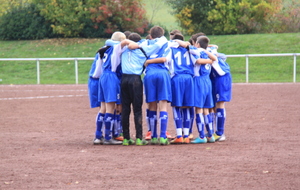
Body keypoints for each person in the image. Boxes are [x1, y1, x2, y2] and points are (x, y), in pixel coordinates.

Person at [113, 32, 167, 145]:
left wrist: (127, 42)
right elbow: (157, 46)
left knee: (125, 109)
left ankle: (126, 138)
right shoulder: (144, 50)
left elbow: (114, 44)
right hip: (135, 80)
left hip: (124, 79)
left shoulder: (122, 49)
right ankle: (138, 138)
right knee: (137, 109)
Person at [143, 26, 171, 145]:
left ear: (150, 35)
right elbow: (165, 58)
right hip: (163, 73)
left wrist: (148, 62)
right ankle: (163, 136)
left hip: (149, 74)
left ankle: (154, 136)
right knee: (163, 107)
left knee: (152, 105)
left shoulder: (145, 44)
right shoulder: (167, 44)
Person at [98, 31, 126, 145]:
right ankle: (108, 137)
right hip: (111, 76)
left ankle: (98, 136)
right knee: (110, 107)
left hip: (103, 76)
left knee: (103, 108)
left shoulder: (104, 48)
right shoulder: (116, 47)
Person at [189, 36, 218, 144]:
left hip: (199, 81)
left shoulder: (196, 51)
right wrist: (208, 57)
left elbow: (198, 60)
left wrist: (199, 49)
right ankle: (210, 135)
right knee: (206, 109)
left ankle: (201, 136)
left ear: (197, 44)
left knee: (199, 109)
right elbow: (214, 59)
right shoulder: (208, 52)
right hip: (207, 82)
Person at [209, 45, 232, 142]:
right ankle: (215, 131)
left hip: (221, 78)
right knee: (214, 104)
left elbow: (223, 56)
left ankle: (220, 133)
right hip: (214, 79)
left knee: (220, 103)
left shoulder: (206, 51)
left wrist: (215, 52)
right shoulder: (208, 49)